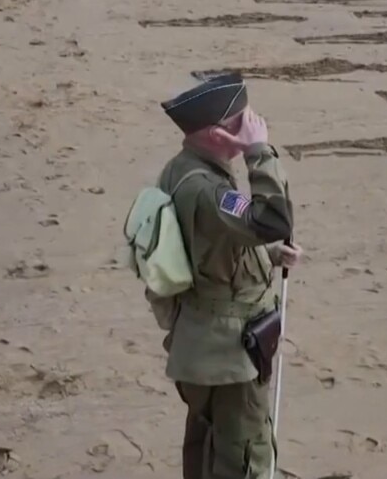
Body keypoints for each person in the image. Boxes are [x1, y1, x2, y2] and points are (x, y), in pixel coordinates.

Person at [153, 71, 302, 479]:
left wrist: (269, 255)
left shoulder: (182, 168)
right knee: (244, 451)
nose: (253, 126)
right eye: (243, 123)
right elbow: (272, 218)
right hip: (229, 351)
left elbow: (208, 241)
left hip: (199, 341)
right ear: (219, 136)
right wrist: (259, 152)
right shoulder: (207, 189)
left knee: (207, 440)